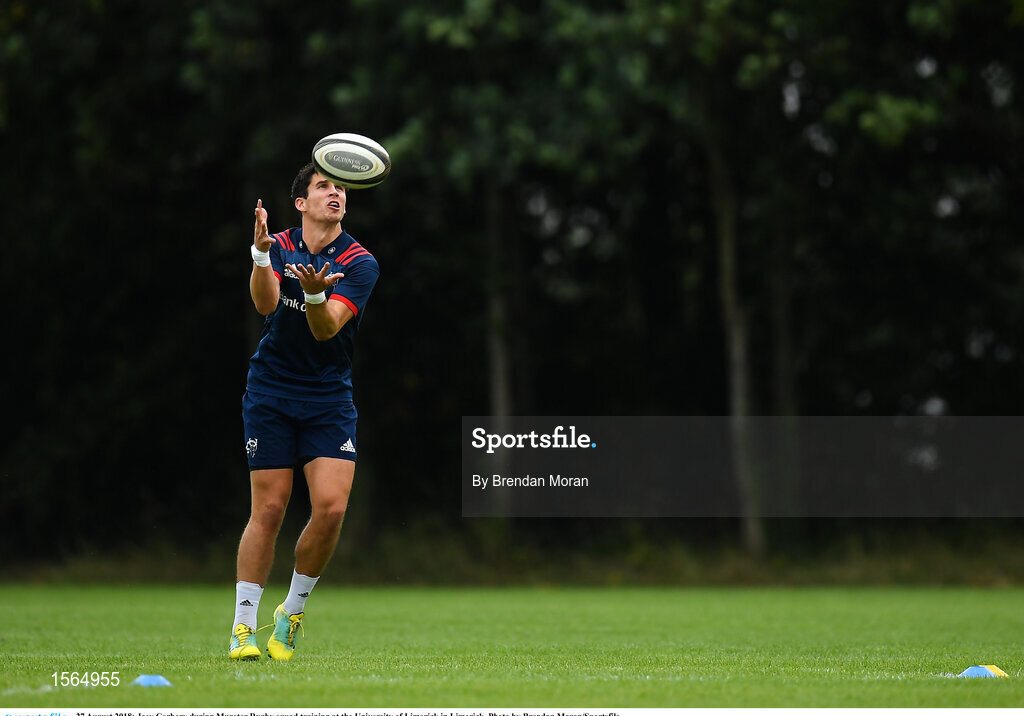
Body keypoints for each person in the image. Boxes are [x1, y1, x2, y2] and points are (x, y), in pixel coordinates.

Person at [228, 163, 380, 661]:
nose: (335, 193)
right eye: (324, 186)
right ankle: (243, 627)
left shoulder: (360, 262)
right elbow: (266, 304)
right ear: (302, 202)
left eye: (340, 188)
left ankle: (290, 612)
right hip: (270, 391)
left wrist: (316, 291)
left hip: (327, 398)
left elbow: (326, 327)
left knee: (332, 508)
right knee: (269, 510)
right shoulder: (280, 244)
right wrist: (259, 257)